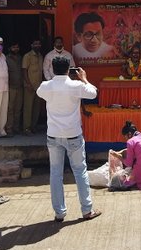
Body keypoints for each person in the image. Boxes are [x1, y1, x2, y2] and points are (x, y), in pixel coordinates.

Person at [36, 56, 102, 222]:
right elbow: (93, 93)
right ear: (68, 69)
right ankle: (87, 210)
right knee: (80, 172)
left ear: (52, 68)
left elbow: (40, 91)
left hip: (54, 135)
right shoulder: (76, 85)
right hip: (73, 135)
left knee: (55, 174)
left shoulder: (46, 86)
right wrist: (84, 78)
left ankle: (59, 213)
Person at [22, 39, 44, 136]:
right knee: (28, 108)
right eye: (35, 44)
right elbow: (24, 71)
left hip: (38, 86)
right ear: (32, 45)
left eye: (39, 44)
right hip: (29, 86)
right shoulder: (27, 56)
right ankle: (26, 128)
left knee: (36, 108)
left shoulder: (41, 56)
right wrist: (28, 84)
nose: (37, 45)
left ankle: (33, 126)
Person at [5, 42, 23, 137]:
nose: (15, 49)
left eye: (17, 47)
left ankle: (16, 128)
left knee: (18, 109)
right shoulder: (6, 59)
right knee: (10, 109)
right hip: (10, 87)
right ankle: (9, 128)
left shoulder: (21, 58)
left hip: (20, 86)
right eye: (13, 47)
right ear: (10, 48)